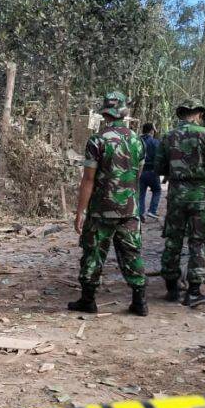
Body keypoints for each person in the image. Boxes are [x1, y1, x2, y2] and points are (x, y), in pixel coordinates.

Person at [68, 91, 148, 316]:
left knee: (93, 254)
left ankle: (88, 300)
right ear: (123, 112)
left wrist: (80, 212)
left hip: (101, 210)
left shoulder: (97, 140)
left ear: (105, 113)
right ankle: (140, 301)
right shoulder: (137, 141)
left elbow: (89, 179)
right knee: (132, 254)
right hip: (129, 210)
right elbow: (137, 175)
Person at [155, 98, 205, 307]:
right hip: (200, 197)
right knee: (198, 242)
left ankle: (172, 289)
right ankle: (193, 292)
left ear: (181, 114)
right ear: (200, 114)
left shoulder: (168, 137)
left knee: (172, 240)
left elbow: (159, 168)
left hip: (176, 195)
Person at [138, 122, 162, 219]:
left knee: (141, 193)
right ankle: (152, 210)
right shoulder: (155, 142)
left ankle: (140, 212)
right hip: (152, 171)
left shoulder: (137, 141)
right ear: (152, 131)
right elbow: (159, 157)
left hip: (140, 171)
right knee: (157, 190)